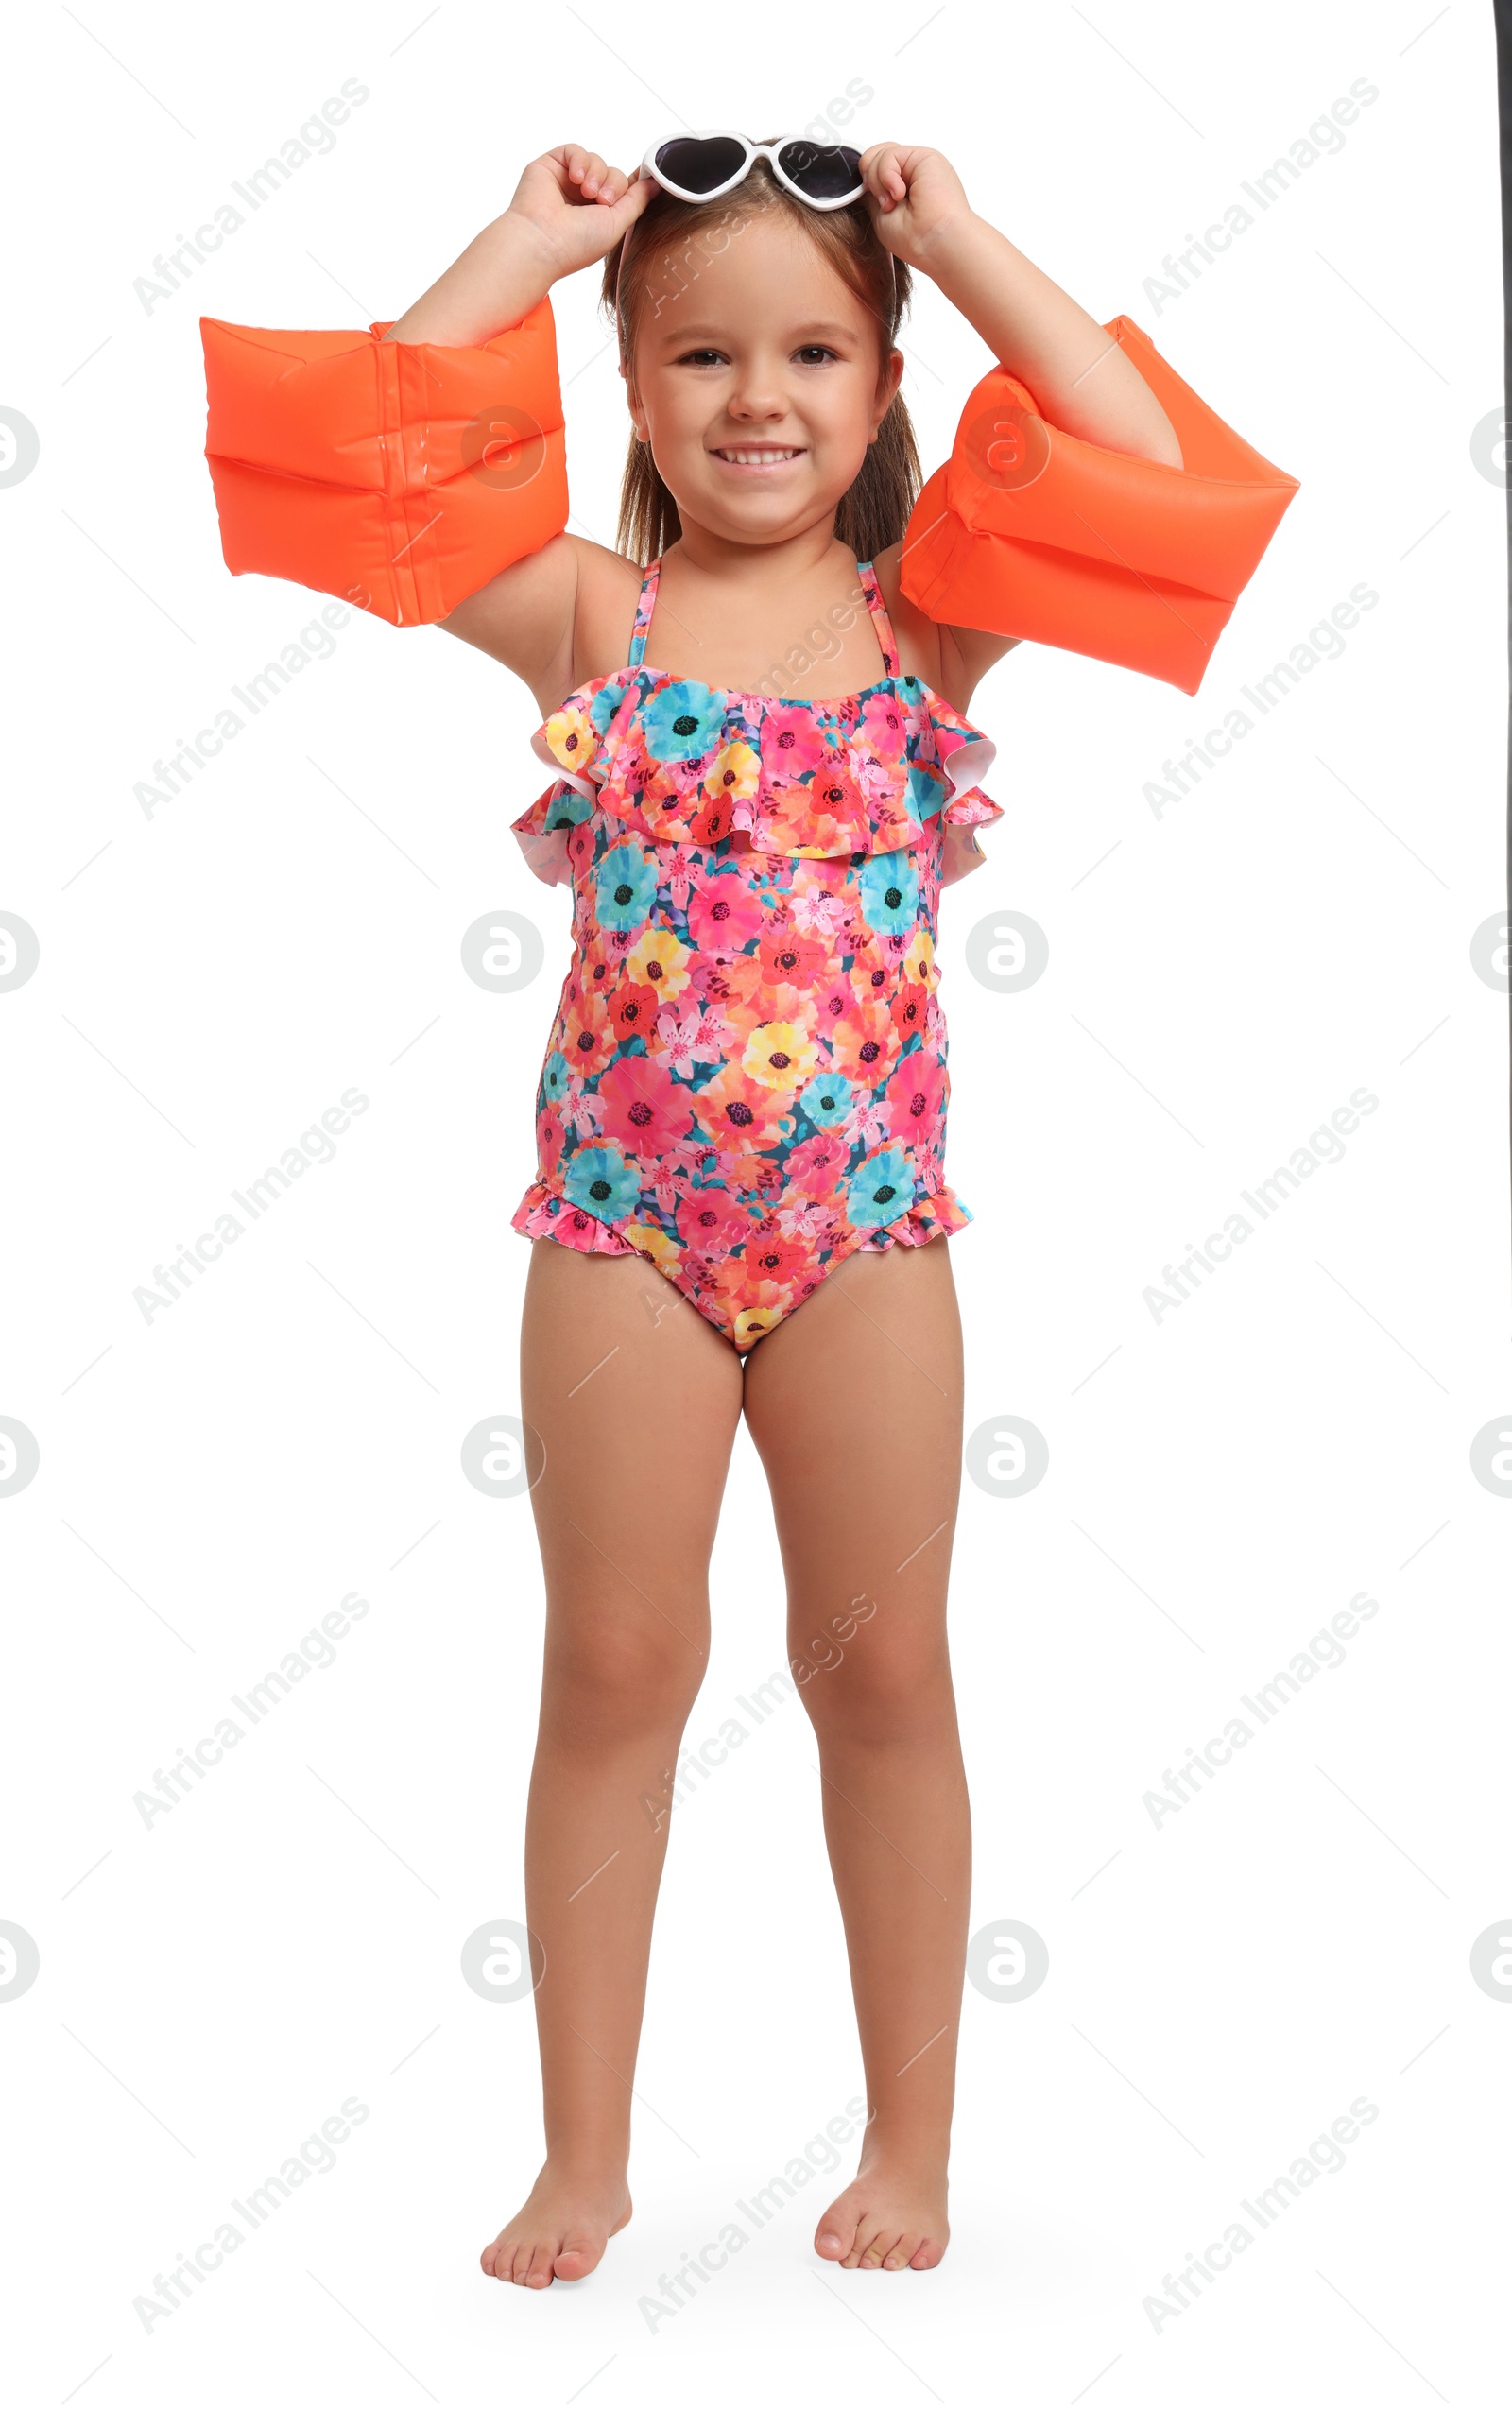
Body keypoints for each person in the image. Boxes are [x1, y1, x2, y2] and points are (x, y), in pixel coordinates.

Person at [200, 133, 1295, 2288]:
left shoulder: (929, 625)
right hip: (623, 1225)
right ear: (627, 385)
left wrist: (958, 241)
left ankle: (912, 2144)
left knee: (880, 1665)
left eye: (812, 350)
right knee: (613, 1661)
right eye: (699, 353)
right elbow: (380, 466)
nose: (757, 397)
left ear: (887, 391)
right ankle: (587, 2157)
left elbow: (1146, 460)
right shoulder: (588, 617)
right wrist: (529, 242)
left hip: (864, 1223)